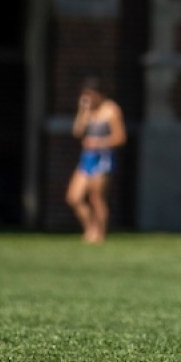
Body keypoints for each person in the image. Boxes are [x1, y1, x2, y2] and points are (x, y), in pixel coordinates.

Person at [66, 76, 126, 244]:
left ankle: (99, 234)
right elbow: (77, 132)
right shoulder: (87, 111)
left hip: (103, 158)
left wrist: (98, 143)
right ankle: (90, 228)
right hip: (87, 158)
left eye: (91, 94)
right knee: (74, 197)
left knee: (96, 197)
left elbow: (120, 137)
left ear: (99, 93)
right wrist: (82, 112)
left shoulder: (111, 110)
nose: (89, 98)